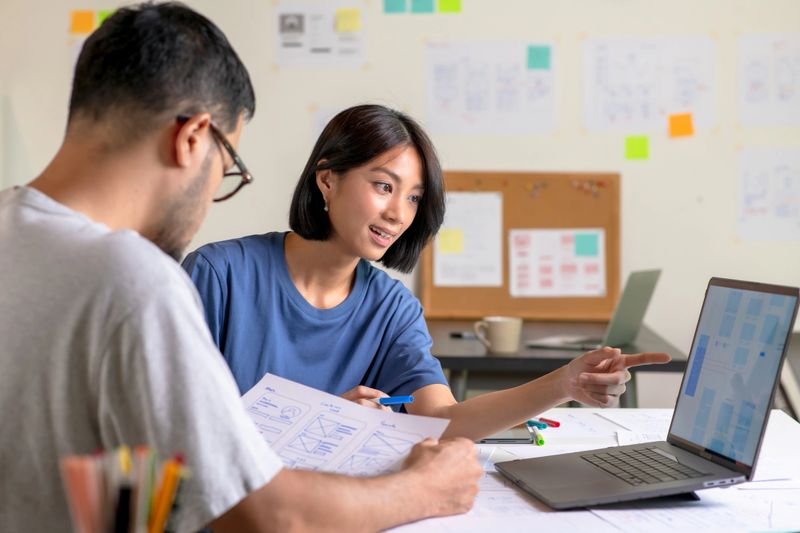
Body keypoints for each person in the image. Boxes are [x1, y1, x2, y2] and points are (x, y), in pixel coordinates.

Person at [0, 4, 482, 532]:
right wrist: (423, 489)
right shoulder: (134, 279)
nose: (211, 195)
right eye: (227, 169)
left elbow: (83, 472)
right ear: (192, 139)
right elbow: (262, 514)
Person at [183, 104, 672, 441]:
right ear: (327, 179)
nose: (399, 212)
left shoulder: (392, 309)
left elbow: (442, 420)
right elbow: (174, 423)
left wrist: (563, 384)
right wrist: (320, 423)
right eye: (383, 185)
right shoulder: (220, 275)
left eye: (414, 197)